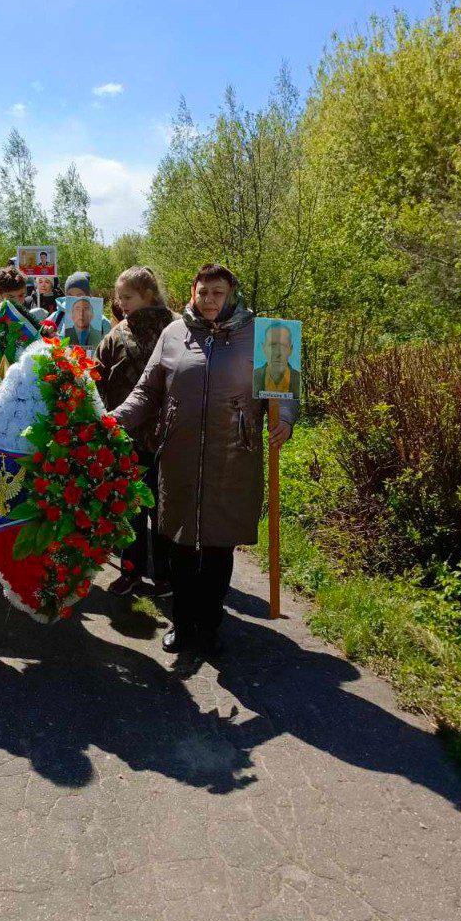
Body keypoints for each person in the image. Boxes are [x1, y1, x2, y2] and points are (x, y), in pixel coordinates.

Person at [113, 263, 296, 677]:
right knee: (178, 544)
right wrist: (115, 419)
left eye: (218, 292)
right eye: (203, 292)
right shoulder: (174, 334)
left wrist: (284, 417)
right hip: (178, 454)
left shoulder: (265, 335)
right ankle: (182, 623)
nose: (210, 299)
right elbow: (147, 390)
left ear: (230, 293)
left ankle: (210, 626)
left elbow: (283, 390)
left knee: (217, 547)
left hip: (234, 456)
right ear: (192, 292)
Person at [96, 267, 175, 596]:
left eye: (127, 297)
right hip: (126, 437)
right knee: (129, 506)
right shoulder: (117, 334)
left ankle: (165, 575)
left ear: (149, 295)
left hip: (169, 437)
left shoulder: (177, 328)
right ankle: (131, 570)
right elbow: (96, 376)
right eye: (119, 297)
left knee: (164, 508)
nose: (121, 303)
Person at [42, 272, 112, 340]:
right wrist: (47, 337)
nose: (75, 300)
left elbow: (109, 349)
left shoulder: (103, 323)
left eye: (79, 296)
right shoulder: (56, 318)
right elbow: (39, 345)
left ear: (88, 296)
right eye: (70, 296)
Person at [253, 321, 301, 400]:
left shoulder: (298, 379)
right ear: (264, 348)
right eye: (272, 345)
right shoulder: (254, 377)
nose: (278, 353)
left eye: (283, 345)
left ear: (290, 350)